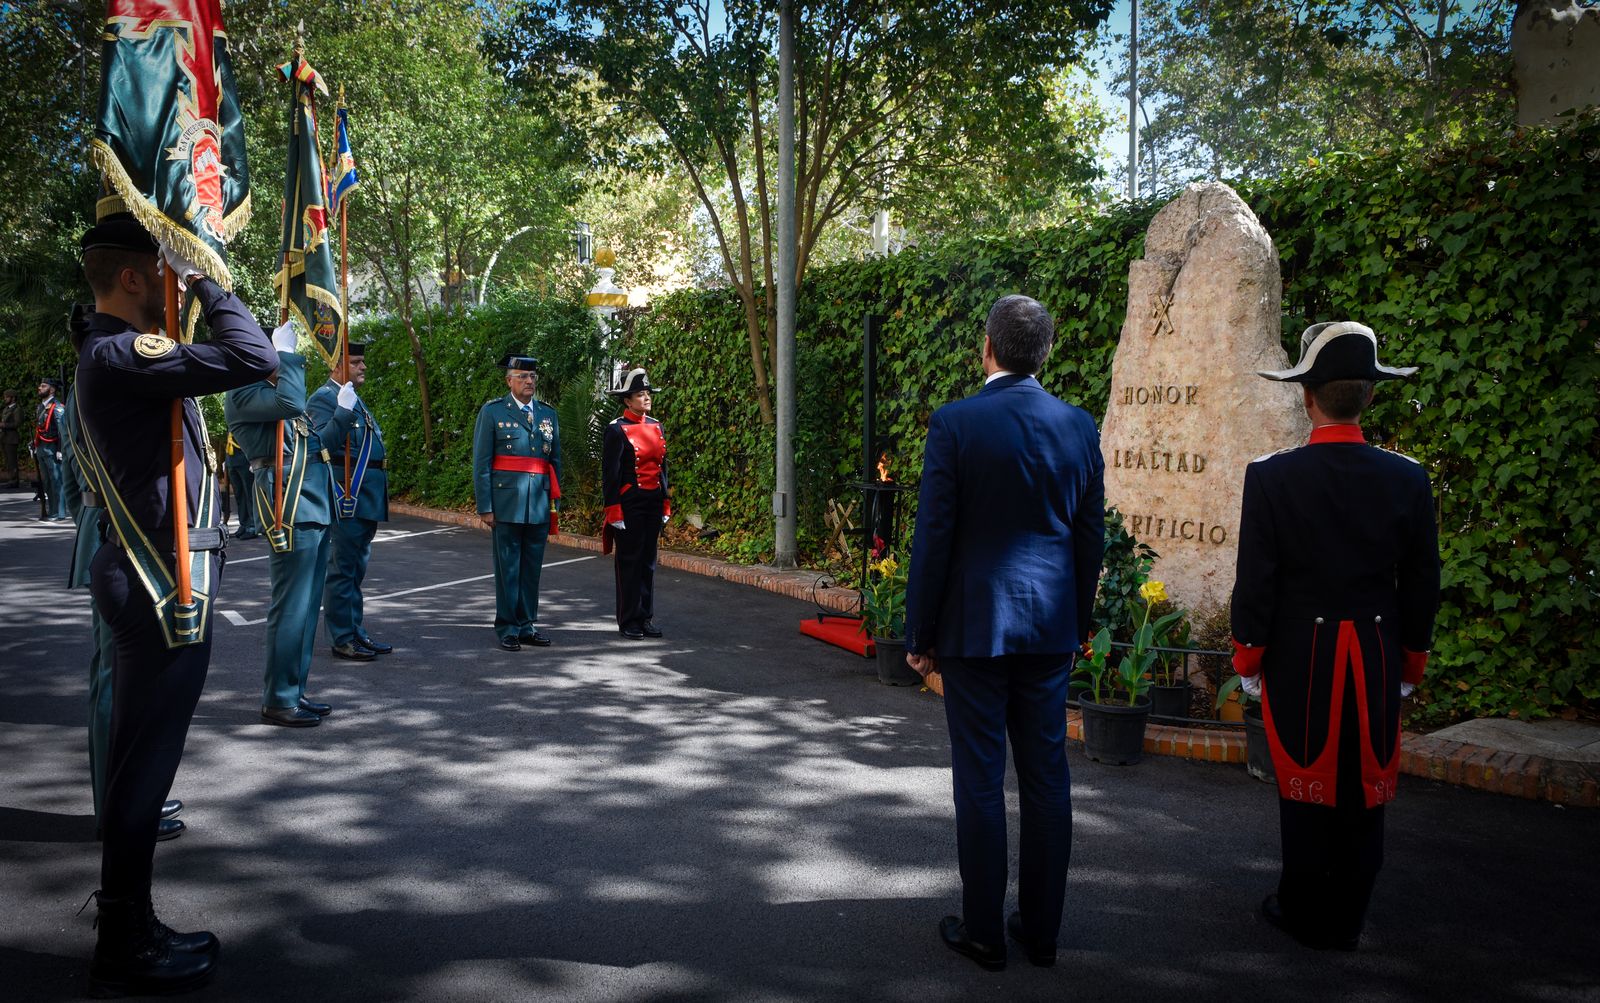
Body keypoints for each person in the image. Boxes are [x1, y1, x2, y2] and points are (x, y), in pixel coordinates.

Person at [71, 210, 277, 995]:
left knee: (137, 765)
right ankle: (125, 937)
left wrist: (183, 271)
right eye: (160, 272)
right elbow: (251, 355)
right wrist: (204, 275)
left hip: (156, 571)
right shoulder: (122, 352)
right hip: (161, 583)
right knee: (145, 769)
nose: (172, 287)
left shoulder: (109, 352)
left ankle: (128, 920)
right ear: (134, 276)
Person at [903, 294, 1105, 972]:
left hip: (974, 626)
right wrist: (1079, 624)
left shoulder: (956, 423)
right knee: (1048, 777)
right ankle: (1042, 929)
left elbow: (933, 537)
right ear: (1043, 352)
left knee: (981, 778)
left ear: (987, 346)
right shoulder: (1078, 426)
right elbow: (1089, 538)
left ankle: (984, 927)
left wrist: (918, 630)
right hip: (1050, 626)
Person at [1231, 321, 1440, 951]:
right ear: (1369, 396)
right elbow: (1422, 584)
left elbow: (1257, 581)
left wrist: (1249, 655)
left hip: (1300, 654)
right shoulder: (1408, 478)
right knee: (1365, 789)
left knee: (1304, 788)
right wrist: (1411, 663)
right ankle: (1349, 914)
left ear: (1307, 396)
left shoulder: (1271, 477)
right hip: (1377, 652)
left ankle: (1301, 907)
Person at [61, 354, 186, 844]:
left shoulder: (90, 375)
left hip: (109, 528)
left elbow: (75, 487)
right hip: (121, 533)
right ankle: (117, 809)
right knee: (117, 678)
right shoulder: (104, 374)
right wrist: (96, 523)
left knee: (123, 676)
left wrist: (88, 521)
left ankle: (128, 797)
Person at [226, 327, 357, 726]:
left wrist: (343, 412)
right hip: (289, 506)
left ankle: (295, 690)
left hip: (313, 506)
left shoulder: (278, 395)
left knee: (305, 608)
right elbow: (290, 400)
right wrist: (286, 357)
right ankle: (280, 697)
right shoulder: (246, 391)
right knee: (290, 608)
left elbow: (320, 445)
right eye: (272, 351)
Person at [307, 340, 392, 660]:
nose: (363, 367)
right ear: (337, 366)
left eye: (361, 362)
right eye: (355, 362)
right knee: (342, 570)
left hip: (365, 497)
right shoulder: (324, 399)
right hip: (348, 496)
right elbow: (320, 444)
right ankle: (342, 637)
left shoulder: (352, 397)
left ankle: (355, 631)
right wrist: (342, 412)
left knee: (356, 570)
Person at [471, 354, 561, 651]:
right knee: (508, 567)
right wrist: (485, 505)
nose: (529, 381)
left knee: (531, 568)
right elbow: (482, 463)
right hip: (506, 502)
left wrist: (554, 505)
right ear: (509, 380)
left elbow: (554, 463)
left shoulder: (548, 415)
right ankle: (507, 626)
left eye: (533, 376)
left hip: (537, 504)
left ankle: (527, 625)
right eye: (522, 377)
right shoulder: (494, 412)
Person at [601, 368, 670, 640]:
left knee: (648, 563)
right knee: (629, 562)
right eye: (640, 395)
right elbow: (610, 475)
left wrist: (665, 503)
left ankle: (645, 617)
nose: (646, 398)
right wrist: (613, 509)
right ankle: (628, 619)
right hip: (629, 504)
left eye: (647, 394)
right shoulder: (616, 429)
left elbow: (664, 469)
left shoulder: (656, 425)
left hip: (653, 501)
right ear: (627, 401)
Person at [34, 377, 69, 519]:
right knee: (47, 482)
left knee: (57, 480)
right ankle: (52, 509)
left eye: (43, 386)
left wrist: (61, 450)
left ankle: (59, 512)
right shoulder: (40, 407)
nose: (39, 388)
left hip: (53, 448)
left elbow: (62, 431)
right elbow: (40, 429)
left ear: (52, 389)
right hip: (42, 448)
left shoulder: (57, 407)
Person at [223, 431, 258, 539]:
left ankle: (252, 526)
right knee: (239, 496)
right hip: (232, 460)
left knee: (249, 495)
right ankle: (244, 524)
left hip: (245, 459)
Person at [1, 389, 21, 487]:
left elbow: (17, 423)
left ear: (13, 398)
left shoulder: (17, 409)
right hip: (4, 437)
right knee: (7, 460)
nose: (5, 399)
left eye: (7, 397)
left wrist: (4, 425)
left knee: (12, 460)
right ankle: (11, 478)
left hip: (12, 438)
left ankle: (14, 480)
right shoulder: (6, 409)